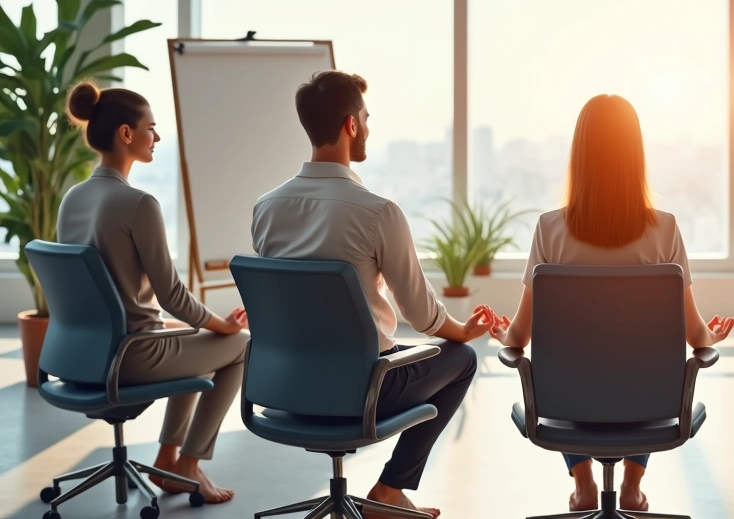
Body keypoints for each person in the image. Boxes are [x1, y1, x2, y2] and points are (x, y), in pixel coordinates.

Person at [251, 70, 497, 519]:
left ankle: (388, 492)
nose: (368, 126)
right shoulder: (378, 212)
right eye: (366, 117)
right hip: (360, 390)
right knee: (461, 359)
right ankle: (389, 490)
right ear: (351, 125)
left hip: (285, 385)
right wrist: (462, 330)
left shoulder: (265, 209)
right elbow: (422, 315)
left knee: (395, 350)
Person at [490, 94, 734, 514]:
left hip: (566, 405)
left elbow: (522, 337)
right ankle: (633, 487)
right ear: (636, 156)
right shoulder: (665, 229)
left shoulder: (550, 229)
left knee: (575, 364)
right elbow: (695, 337)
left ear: (578, 155)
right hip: (649, 407)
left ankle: (583, 483)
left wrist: (502, 333)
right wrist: (713, 334)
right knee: (642, 360)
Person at [58, 82, 249, 504]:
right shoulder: (138, 203)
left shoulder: (72, 198)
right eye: (152, 128)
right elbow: (172, 295)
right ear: (127, 134)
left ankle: (167, 458)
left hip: (79, 355)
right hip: (131, 356)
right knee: (241, 344)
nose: (157, 138)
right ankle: (189, 463)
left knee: (186, 332)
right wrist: (222, 326)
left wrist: (204, 327)